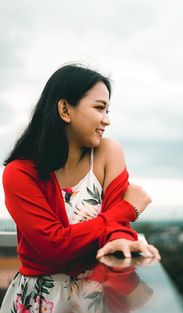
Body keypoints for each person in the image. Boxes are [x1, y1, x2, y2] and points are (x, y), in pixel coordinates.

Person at [0, 63, 160, 312]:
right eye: (99, 108)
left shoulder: (109, 153)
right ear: (65, 109)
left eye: (107, 110)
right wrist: (127, 209)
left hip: (98, 294)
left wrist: (121, 239)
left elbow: (115, 230)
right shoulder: (18, 173)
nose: (107, 120)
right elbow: (53, 246)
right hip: (39, 301)